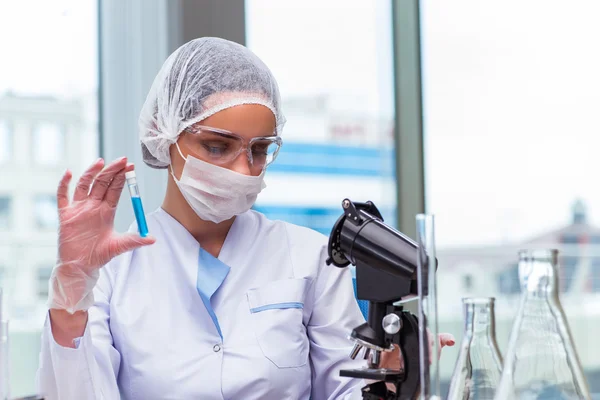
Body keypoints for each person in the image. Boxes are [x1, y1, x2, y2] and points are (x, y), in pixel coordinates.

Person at [35, 37, 454, 400]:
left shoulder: (309, 257)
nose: (243, 170)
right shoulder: (110, 274)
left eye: (258, 150)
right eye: (218, 147)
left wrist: (393, 379)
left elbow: (344, 387)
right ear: (165, 137)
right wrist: (71, 292)